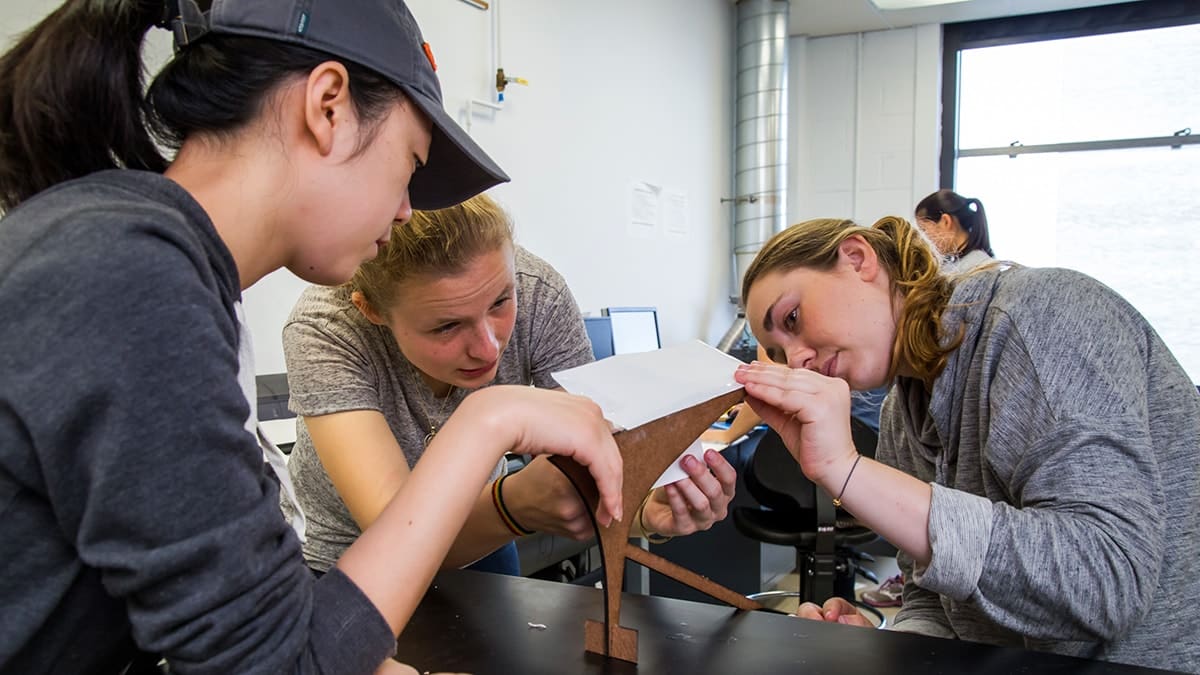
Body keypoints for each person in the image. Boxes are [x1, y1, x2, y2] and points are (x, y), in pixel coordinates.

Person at [0, 2, 624, 673]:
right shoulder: (133, 277)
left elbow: (225, 622)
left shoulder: (151, 260)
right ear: (329, 105)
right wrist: (490, 417)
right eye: (410, 164)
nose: (408, 209)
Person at [733, 216, 1200, 672]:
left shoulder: (1039, 316)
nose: (797, 359)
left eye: (792, 318)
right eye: (777, 354)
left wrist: (848, 469)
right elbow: (932, 598)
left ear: (858, 259)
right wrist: (898, 649)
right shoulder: (902, 413)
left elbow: (1105, 584)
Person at [283, 193, 736, 575]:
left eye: (500, 301)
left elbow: (596, 456)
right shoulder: (328, 329)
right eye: (446, 327)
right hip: (352, 557)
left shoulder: (537, 292)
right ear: (372, 311)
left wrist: (645, 512)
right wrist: (512, 505)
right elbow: (398, 539)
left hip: (480, 531)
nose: (488, 348)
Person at [914, 188, 995, 272]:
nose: (923, 240)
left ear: (946, 221)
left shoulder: (979, 267)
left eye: (924, 230)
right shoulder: (957, 265)